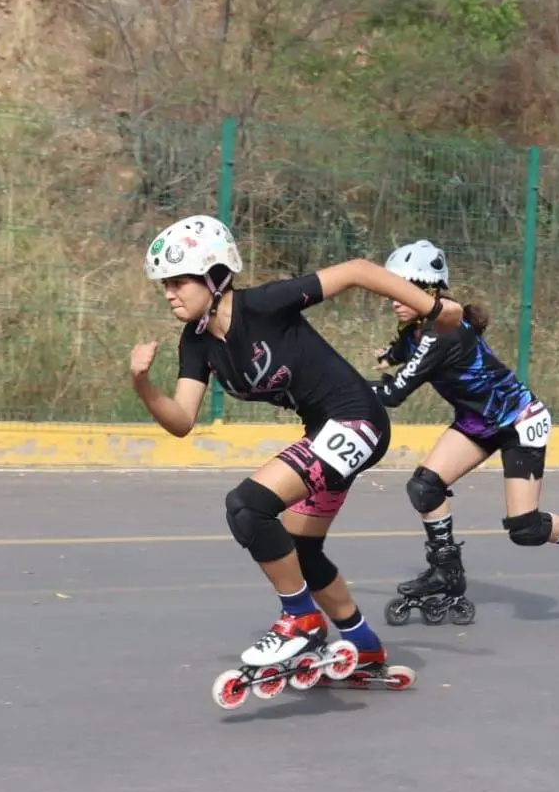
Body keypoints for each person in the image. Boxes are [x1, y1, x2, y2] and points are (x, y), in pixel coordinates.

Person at [130, 215, 464, 708]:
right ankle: (365, 647)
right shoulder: (196, 344)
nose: (169, 294)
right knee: (300, 551)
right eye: (164, 285)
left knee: (247, 506)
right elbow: (181, 420)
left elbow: (354, 270)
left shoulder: (262, 305)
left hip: (356, 421)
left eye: (178, 281)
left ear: (214, 276)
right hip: (325, 432)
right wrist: (142, 383)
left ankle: (302, 618)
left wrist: (435, 309)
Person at [368, 239, 559, 627]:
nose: (393, 297)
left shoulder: (441, 334)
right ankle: (447, 572)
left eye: (403, 288)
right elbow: (405, 348)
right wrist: (391, 354)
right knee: (424, 488)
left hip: (518, 421)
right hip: (477, 421)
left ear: (429, 291)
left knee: (525, 528)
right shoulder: (417, 328)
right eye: (390, 289)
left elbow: (394, 393)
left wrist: (340, 387)